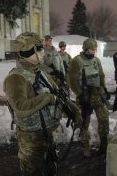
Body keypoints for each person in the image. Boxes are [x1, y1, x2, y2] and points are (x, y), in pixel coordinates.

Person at [4, 32, 69, 175]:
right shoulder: (15, 78)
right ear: (28, 51)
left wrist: (74, 110)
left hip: (47, 135)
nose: (43, 53)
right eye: (39, 49)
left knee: (51, 169)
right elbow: (20, 107)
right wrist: (46, 98)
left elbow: (58, 94)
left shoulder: (41, 72)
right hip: (31, 140)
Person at [67, 38, 110, 157]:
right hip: (84, 96)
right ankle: (86, 146)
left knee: (104, 118)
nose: (94, 51)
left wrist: (104, 89)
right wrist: (79, 94)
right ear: (85, 49)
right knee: (84, 122)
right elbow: (71, 80)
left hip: (97, 94)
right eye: (92, 49)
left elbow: (101, 75)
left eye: (95, 49)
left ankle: (104, 143)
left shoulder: (96, 60)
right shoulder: (77, 61)